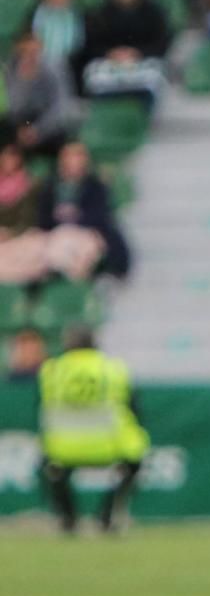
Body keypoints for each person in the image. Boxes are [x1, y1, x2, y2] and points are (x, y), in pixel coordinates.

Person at [38, 327, 149, 533]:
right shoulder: (113, 369)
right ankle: (107, 514)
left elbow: (45, 406)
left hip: (64, 448)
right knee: (136, 462)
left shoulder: (52, 370)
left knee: (47, 466)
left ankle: (67, 518)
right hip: (110, 446)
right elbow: (134, 408)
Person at [37, 139, 131, 280]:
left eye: (78, 155)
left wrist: (72, 217)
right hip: (55, 234)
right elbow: (43, 218)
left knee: (77, 250)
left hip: (86, 234)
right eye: (69, 155)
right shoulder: (50, 186)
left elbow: (99, 216)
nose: (74, 160)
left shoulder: (96, 186)